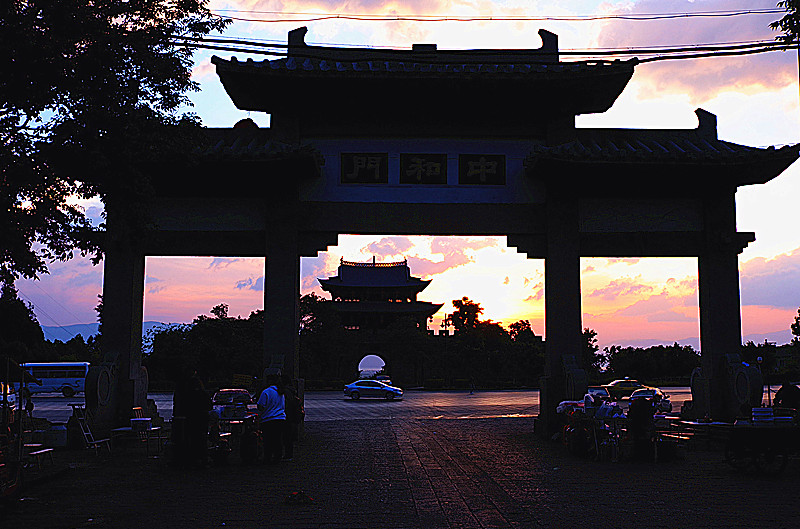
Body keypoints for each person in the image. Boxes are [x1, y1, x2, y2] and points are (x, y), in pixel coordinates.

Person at [257, 374, 286, 463]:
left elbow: (261, 405)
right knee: (277, 439)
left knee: (268, 440)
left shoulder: (266, 392)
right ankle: (278, 456)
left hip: (268, 419)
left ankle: (268, 457)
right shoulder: (280, 392)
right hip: (280, 418)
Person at [281, 374, 303, 461]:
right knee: (288, 436)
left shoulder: (286, 392)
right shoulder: (292, 390)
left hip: (287, 415)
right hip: (292, 416)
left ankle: (287, 455)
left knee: (286, 436)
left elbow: (287, 404)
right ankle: (288, 454)